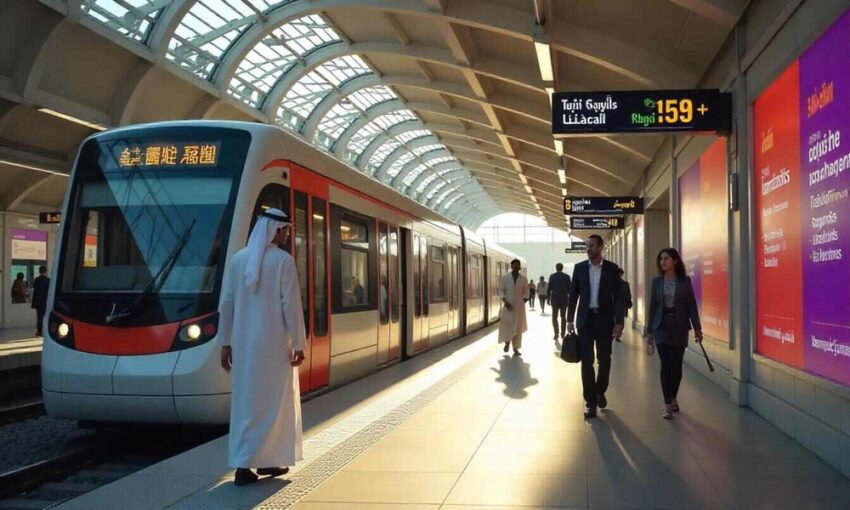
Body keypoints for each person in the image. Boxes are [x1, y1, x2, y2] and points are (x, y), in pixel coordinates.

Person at [218, 208, 307, 486]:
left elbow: (226, 305)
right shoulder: (283, 262)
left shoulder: (237, 260)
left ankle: (245, 466)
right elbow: (291, 306)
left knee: (246, 405)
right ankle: (269, 460)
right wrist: (299, 343)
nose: (287, 235)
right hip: (275, 348)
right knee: (275, 404)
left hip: (244, 349)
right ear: (276, 230)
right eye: (286, 230)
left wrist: (225, 343)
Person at [567, 235, 625, 418]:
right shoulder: (579, 269)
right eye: (587, 246)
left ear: (601, 247)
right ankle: (590, 401)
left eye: (591, 246)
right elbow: (573, 296)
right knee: (587, 361)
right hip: (585, 321)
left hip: (604, 320)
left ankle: (600, 391)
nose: (588, 249)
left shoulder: (612, 269)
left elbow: (619, 298)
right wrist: (569, 320)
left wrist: (619, 322)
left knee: (604, 359)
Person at [644, 248, 703, 420]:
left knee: (676, 366)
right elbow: (652, 307)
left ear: (675, 261)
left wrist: (698, 329)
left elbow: (691, 306)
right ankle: (668, 404)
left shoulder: (685, 282)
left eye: (666, 258)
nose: (663, 261)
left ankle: (673, 395)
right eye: (661, 259)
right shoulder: (656, 282)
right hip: (661, 326)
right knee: (666, 364)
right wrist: (649, 331)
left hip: (679, 327)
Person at [498, 259, 528, 356]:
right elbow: (501, 291)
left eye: (518, 265)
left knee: (518, 328)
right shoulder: (505, 278)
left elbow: (527, 292)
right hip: (508, 306)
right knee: (507, 325)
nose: (516, 266)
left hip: (519, 308)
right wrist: (505, 301)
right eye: (514, 265)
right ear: (511, 266)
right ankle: (507, 342)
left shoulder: (523, 279)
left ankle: (516, 348)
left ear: (519, 267)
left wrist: (523, 301)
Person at [548, 263, 571, 340]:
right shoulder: (567, 277)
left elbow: (549, 289)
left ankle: (556, 333)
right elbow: (570, 289)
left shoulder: (552, 276)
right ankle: (563, 333)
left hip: (555, 299)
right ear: (562, 268)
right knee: (563, 317)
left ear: (556, 268)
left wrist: (548, 298)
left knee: (554, 317)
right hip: (564, 299)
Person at [31, 266, 50, 337]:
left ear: (39, 271)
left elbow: (34, 289)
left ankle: (39, 331)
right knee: (47, 316)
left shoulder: (36, 280)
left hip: (38, 301)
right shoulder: (48, 280)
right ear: (45, 271)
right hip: (46, 301)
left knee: (39, 317)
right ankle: (48, 331)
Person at [616, 268, 633, 342]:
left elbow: (628, 294)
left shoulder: (625, 284)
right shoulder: (611, 283)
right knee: (614, 322)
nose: (619, 275)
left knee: (621, 323)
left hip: (622, 305)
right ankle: (616, 334)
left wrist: (629, 302)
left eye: (620, 274)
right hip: (613, 306)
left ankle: (618, 335)